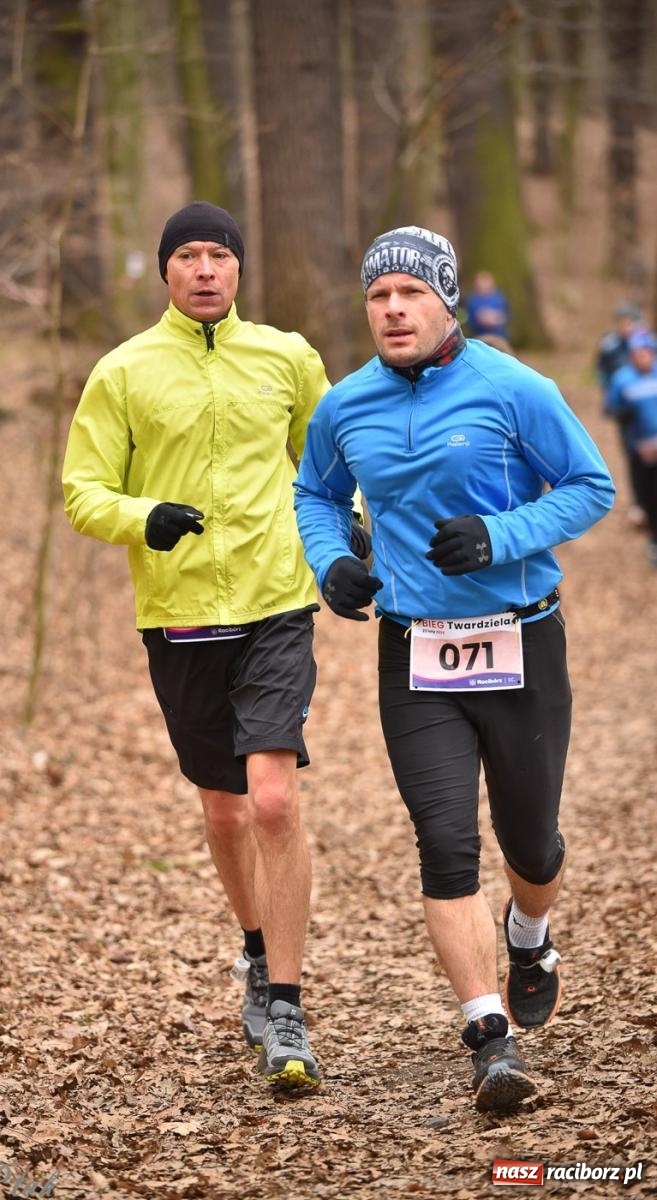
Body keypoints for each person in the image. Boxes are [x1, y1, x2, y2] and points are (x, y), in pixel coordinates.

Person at [293, 225, 615, 1112]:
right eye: (376, 297)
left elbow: (591, 485)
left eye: (408, 294)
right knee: (443, 844)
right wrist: (332, 563)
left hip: (519, 641)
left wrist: (499, 537)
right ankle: (488, 1037)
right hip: (415, 653)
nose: (391, 310)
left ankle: (530, 932)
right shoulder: (345, 403)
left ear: (444, 301)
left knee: (532, 843)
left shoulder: (514, 387)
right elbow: (313, 494)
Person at [62, 201, 366, 1089]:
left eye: (219, 255)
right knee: (225, 810)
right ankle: (252, 946)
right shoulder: (121, 373)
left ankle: (286, 1004)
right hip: (181, 615)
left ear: (239, 269)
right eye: (187, 255)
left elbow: (330, 467)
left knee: (273, 800)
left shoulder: (287, 356)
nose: (204, 269)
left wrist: (351, 542)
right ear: (164, 271)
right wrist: (141, 516)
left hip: (275, 601)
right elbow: (82, 491)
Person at [605, 328, 657, 566]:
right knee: (649, 496)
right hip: (639, 449)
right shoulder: (622, 379)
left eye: (646, 352)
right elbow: (610, 409)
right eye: (637, 353)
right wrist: (626, 411)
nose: (642, 357)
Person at [597, 301, 648, 526]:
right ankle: (640, 502)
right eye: (622, 322)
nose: (626, 326)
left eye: (630, 322)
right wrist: (611, 394)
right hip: (626, 410)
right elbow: (601, 371)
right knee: (634, 456)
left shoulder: (646, 343)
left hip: (648, 405)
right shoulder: (609, 347)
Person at [464, 270, 510, 345]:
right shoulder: (472, 300)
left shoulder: (499, 298)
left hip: (498, 337)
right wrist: (480, 319)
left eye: (485, 282)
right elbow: (469, 319)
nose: (483, 285)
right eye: (481, 283)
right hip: (480, 338)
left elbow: (506, 315)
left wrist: (496, 318)